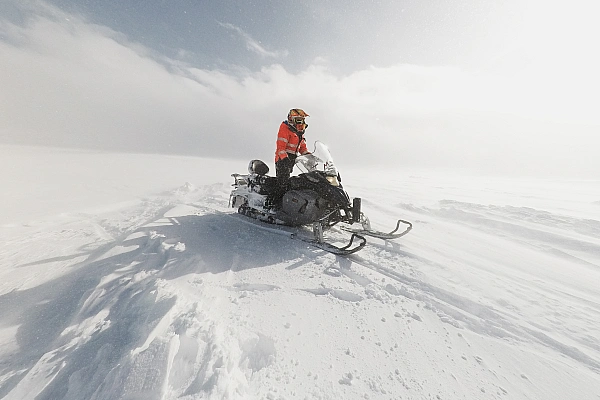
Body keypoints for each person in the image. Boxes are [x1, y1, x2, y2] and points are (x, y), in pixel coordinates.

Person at [268, 108, 311, 207]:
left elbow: (302, 147)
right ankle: (273, 205)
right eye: (299, 120)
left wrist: (309, 157)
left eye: (303, 120)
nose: (301, 123)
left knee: (294, 183)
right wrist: (284, 159)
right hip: (282, 159)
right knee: (282, 182)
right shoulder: (285, 129)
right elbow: (280, 147)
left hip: (292, 159)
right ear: (291, 119)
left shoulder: (299, 132)